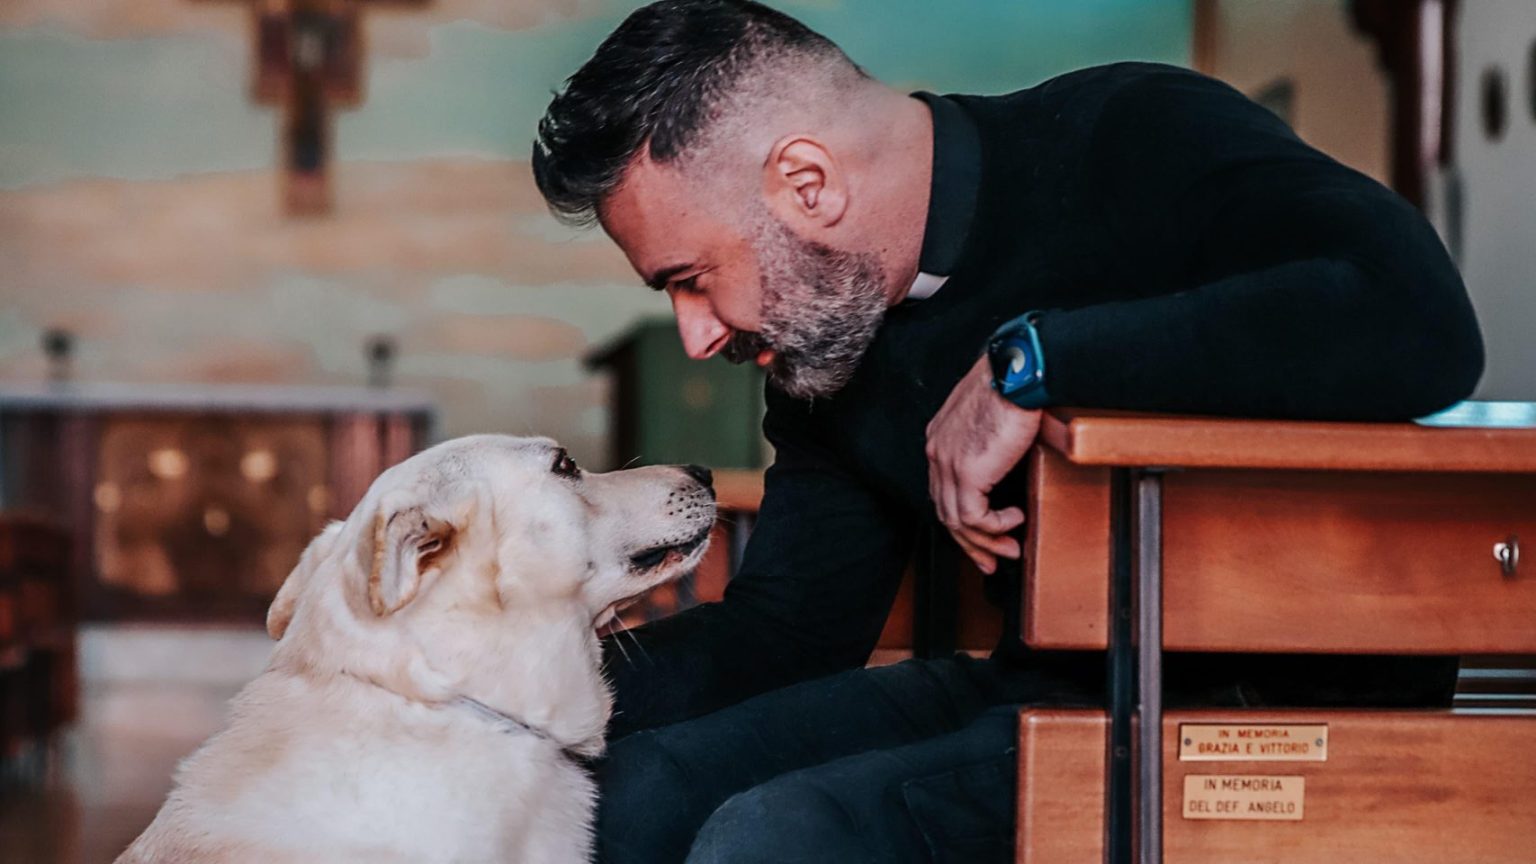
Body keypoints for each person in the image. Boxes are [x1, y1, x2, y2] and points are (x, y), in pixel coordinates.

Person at [531, 2, 1484, 861]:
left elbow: (1419, 319)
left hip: (1282, 728)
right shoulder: (830, 342)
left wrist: (1029, 364)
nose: (696, 337)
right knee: (622, 797)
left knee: (775, 838)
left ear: (808, 183)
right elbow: (787, 633)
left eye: (692, 279)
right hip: (1047, 693)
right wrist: (511, 683)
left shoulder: (1136, 130)